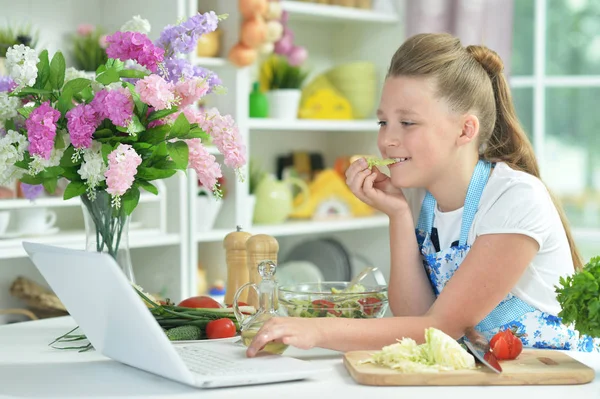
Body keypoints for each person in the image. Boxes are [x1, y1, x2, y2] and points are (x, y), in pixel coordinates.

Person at [245, 32, 600, 357]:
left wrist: (317, 330)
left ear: (465, 129)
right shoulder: (431, 205)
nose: (387, 139)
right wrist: (397, 214)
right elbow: (417, 317)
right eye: (383, 122)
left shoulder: (515, 198)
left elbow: (442, 327)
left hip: (560, 381)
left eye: (408, 123)